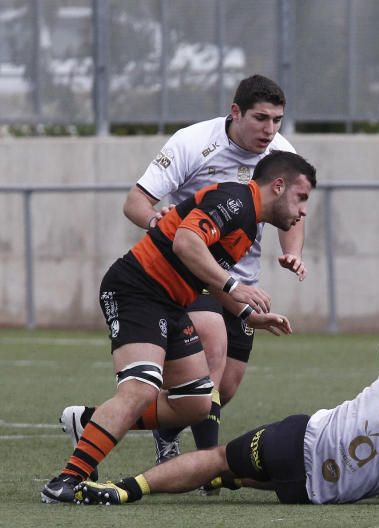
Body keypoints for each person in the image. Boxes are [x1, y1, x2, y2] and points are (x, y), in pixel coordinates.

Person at [41, 151, 317, 503]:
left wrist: (247, 315)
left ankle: (89, 422)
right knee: (140, 388)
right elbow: (186, 241)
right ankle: (66, 480)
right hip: (136, 289)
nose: (303, 210)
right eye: (302, 197)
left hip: (170, 303)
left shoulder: (249, 225)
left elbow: (206, 272)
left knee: (196, 403)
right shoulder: (236, 200)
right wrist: (236, 287)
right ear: (279, 186)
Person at [118, 74, 306, 466]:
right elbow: (136, 201)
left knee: (226, 385)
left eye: (277, 120)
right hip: (192, 272)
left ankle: (148, 425)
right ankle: (206, 465)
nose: (269, 130)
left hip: (243, 280)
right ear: (235, 112)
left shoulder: (280, 152)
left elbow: (294, 209)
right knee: (213, 342)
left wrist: (293, 252)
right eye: (260, 118)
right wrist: (157, 221)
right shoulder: (193, 142)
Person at [74, 350, 379, 506]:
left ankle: (126, 489)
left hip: (299, 440)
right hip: (316, 493)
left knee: (219, 457)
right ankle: (231, 479)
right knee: (240, 472)